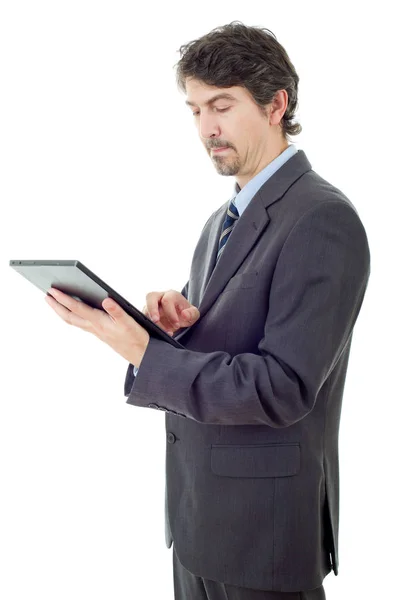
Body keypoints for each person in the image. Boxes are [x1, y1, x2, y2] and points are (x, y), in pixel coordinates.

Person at [46, 20, 371, 600]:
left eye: (221, 105)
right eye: (195, 109)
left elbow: (282, 387)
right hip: (199, 521)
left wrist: (144, 353)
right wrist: (172, 331)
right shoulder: (219, 223)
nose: (206, 128)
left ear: (277, 104)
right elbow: (227, 346)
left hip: (263, 539)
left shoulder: (322, 219)